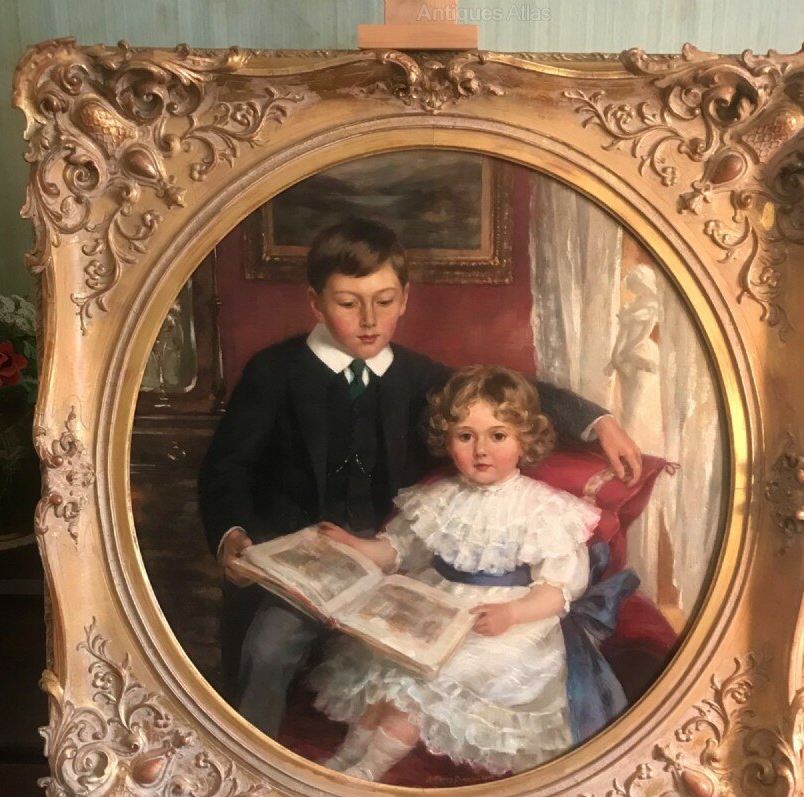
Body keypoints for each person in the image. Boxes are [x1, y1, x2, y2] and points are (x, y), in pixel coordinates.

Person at [198, 217, 642, 737]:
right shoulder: (274, 372)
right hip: (301, 569)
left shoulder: (417, 376)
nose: (370, 320)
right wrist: (233, 535)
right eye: (349, 303)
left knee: (424, 670)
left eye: (384, 301)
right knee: (269, 648)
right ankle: (254, 764)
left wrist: (598, 420)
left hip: (395, 569)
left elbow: (504, 392)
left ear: (405, 299)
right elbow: (226, 467)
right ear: (316, 303)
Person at [306, 366, 630, 782]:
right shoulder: (438, 498)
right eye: (465, 436)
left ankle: (368, 772)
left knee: (420, 685)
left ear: (523, 440)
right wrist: (352, 544)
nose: (481, 450)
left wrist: (512, 614)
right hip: (439, 607)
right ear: (447, 439)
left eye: (498, 436)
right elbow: (394, 550)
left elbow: (557, 590)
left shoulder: (545, 509)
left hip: (508, 625)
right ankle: (345, 759)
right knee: (388, 670)